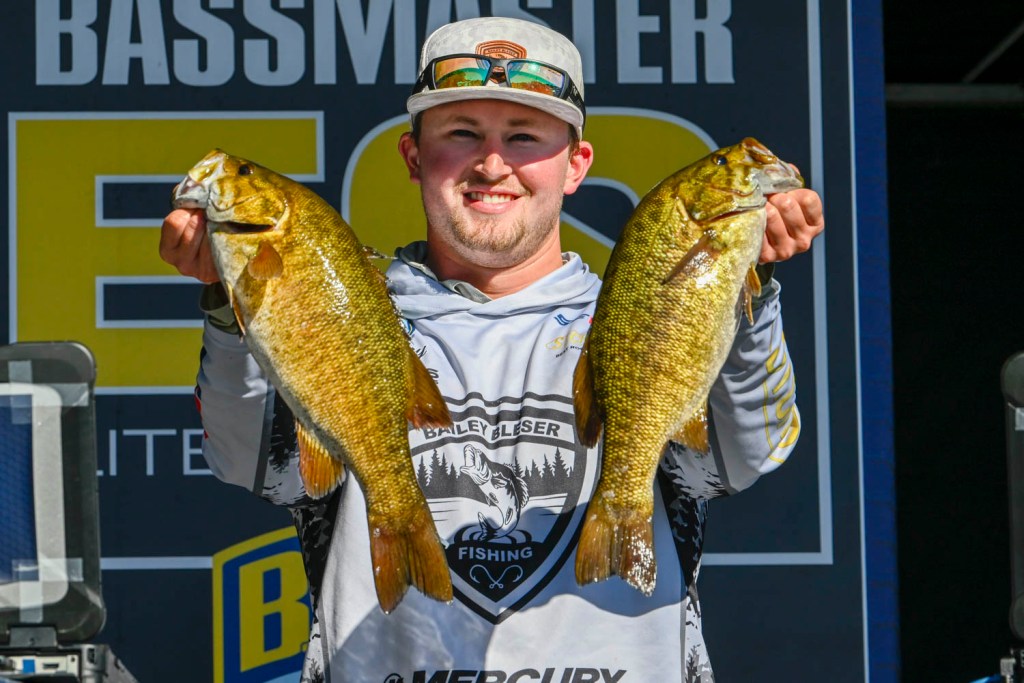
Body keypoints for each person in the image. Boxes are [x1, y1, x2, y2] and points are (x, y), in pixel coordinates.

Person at [160, 16, 823, 683]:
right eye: (462, 133)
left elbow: (745, 455)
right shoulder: (342, 314)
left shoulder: (637, 316)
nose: (493, 163)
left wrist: (748, 283)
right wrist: (230, 300)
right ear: (413, 156)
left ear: (576, 165)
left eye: (524, 136)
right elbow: (254, 462)